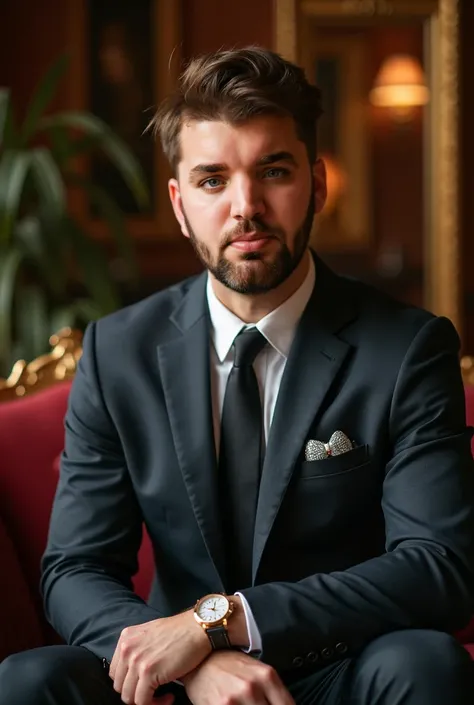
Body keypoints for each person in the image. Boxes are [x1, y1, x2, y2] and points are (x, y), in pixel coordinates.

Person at [1, 46, 473, 705]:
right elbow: (74, 568)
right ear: (179, 202)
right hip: (173, 683)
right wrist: (186, 660)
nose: (245, 205)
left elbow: (437, 566)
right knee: (28, 680)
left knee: (426, 662)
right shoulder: (118, 351)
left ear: (317, 181)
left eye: (272, 170)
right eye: (213, 179)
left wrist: (223, 623)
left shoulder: (406, 348)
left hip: (337, 668)